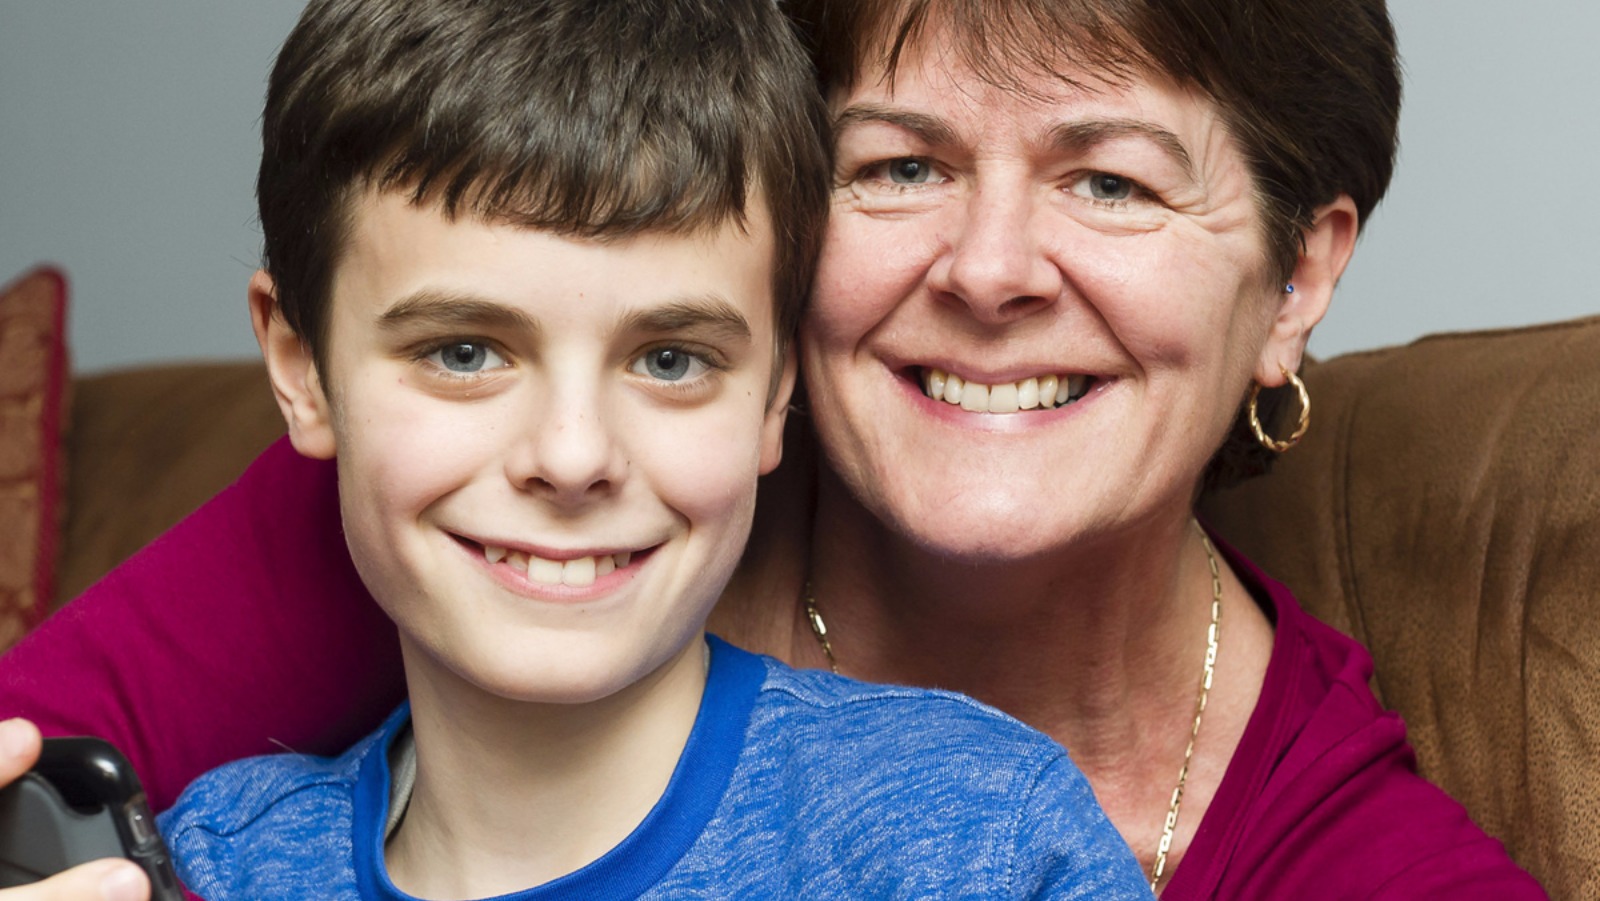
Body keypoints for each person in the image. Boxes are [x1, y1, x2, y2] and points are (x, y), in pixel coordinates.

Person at [0, 0, 1549, 898]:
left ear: (1295, 279)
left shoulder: (1253, 846)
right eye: (899, 165)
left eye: (1114, 183)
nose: (990, 270)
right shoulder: (477, 502)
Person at [93, 0, 1158, 899]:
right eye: (464, 352)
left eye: (670, 360)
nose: (571, 456)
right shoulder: (212, 866)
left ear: (775, 393)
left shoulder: (971, 841)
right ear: (300, 368)